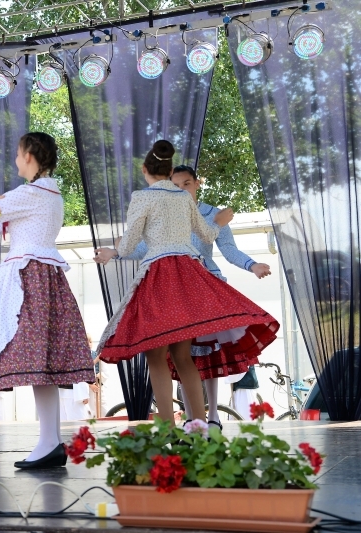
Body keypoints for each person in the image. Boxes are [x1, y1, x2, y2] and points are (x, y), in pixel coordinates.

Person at [93, 140, 279, 423]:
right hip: (189, 275)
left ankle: (168, 429)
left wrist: (114, 251)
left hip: (159, 277)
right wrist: (218, 222)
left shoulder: (142, 197)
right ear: (170, 172)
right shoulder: (183, 198)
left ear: (144, 170)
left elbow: (130, 245)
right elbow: (207, 235)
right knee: (184, 357)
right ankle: (200, 425)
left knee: (156, 357)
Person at [0, 132, 96, 469]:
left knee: (39, 361)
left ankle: (49, 441)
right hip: (44, 275)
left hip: (29, 276)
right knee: (43, 363)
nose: (15, 160)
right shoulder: (47, 193)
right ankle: (49, 441)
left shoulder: (31, 193)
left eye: (17, 153)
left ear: (28, 156)